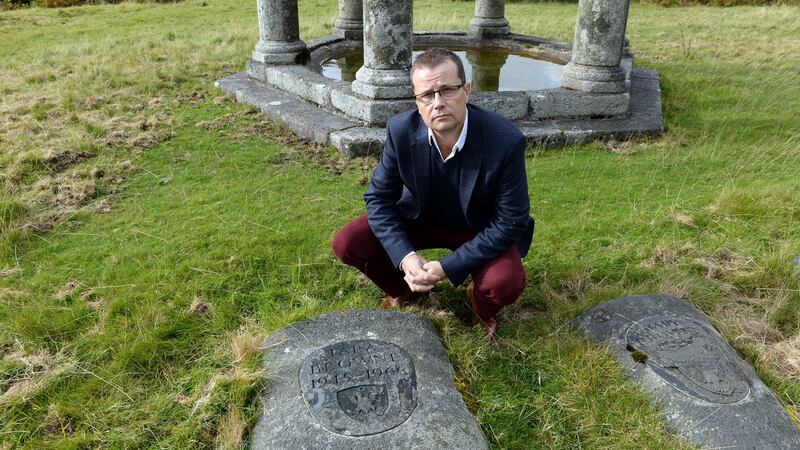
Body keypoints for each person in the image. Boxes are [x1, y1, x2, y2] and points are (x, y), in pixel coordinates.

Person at [332, 48, 534, 340]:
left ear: (466, 90)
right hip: (419, 219)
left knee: (504, 282)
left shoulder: (505, 140)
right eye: (427, 95)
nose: (438, 103)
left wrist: (448, 267)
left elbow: (511, 220)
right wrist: (405, 258)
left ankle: (481, 306)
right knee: (348, 243)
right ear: (417, 100)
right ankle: (406, 290)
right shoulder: (400, 130)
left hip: (479, 229)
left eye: (447, 90)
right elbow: (379, 198)